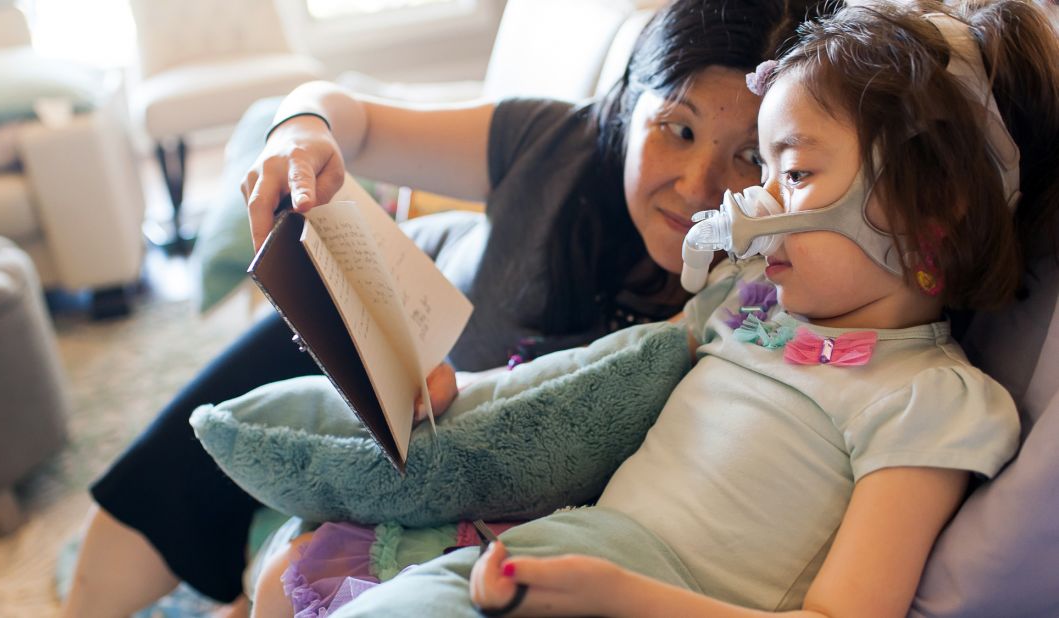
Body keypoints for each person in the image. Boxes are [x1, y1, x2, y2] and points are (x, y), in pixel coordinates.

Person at [244, 1, 1058, 615]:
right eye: (763, 171)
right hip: (554, 547)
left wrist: (614, 593)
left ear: (932, 213)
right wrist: (472, 396)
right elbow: (596, 381)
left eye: (792, 173)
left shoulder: (933, 405)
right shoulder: (742, 306)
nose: (752, 203)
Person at [60, 0, 824, 615]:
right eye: (677, 129)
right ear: (630, 104)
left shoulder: (774, 287)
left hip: (468, 464)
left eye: (749, 157)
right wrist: (302, 130)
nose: (697, 186)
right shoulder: (549, 141)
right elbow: (347, 113)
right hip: (408, 294)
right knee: (136, 528)